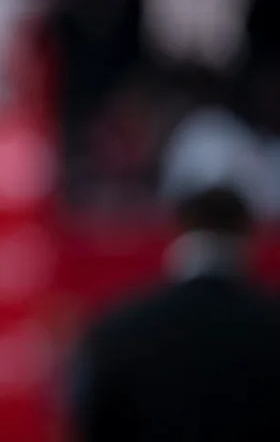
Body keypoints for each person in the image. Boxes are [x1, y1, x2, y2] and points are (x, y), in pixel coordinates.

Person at [70, 185, 280, 442]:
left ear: (177, 231)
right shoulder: (270, 324)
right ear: (248, 235)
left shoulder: (119, 330)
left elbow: (94, 425)